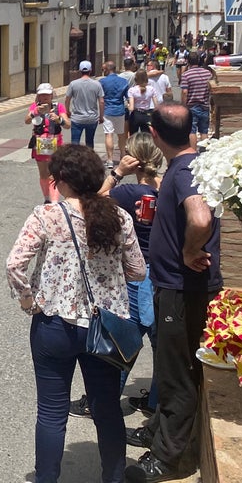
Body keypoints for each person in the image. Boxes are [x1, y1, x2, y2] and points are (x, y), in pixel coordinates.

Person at [6, 144, 144, 483]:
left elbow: (15, 264)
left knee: (51, 410)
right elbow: (138, 271)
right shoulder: (119, 218)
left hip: (55, 324)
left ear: (62, 182)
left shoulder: (46, 216)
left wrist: (27, 299)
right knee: (107, 408)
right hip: (107, 328)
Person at [125, 104, 221, 483]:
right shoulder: (188, 164)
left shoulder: (183, 171)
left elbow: (199, 217)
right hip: (174, 287)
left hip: (183, 290)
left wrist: (188, 250)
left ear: (154, 133)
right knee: (167, 366)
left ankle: (168, 458)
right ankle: (157, 432)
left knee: (178, 371)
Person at [71, 132, 163, 422]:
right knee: (160, 344)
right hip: (162, 272)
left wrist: (117, 173)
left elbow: (90, 203)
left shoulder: (127, 193)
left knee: (125, 340)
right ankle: (157, 401)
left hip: (137, 272)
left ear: (133, 159)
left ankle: (102, 401)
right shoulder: (164, 190)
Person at [27, 82, 68, 204]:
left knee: (54, 173)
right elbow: (27, 120)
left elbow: (68, 124)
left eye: (47, 95)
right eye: (42, 95)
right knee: (43, 173)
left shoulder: (58, 107)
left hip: (55, 142)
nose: (45, 97)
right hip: (40, 142)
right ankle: (46, 198)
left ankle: (54, 201)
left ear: (52, 96)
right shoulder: (35, 107)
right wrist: (34, 112)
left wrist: (58, 119)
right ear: (38, 96)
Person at [65, 61, 105, 149]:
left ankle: (74, 160)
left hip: (77, 118)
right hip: (92, 118)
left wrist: (67, 111)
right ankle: (89, 160)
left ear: (80, 70)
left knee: (75, 142)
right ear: (90, 70)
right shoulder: (97, 84)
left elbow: (67, 99)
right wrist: (101, 116)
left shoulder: (73, 84)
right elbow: (101, 101)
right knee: (90, 141)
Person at [179, 51, 214, 149]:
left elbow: (185, 92)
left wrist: (183, 105)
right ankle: (204, 152)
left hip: (192, 106)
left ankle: (193, 152)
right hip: (205, 105)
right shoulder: (208, 73)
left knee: (192, 131)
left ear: (187, 61)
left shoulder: (186, 75)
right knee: (204, 131)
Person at [99, 61, 130, 170]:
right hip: (120, 110)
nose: (103, 72)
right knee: (121, 134)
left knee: (109, 134)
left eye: (104, 70)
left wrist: (100, 114)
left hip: (108, 110)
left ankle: (110, 160)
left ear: (107, 69)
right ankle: (122, 155)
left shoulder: (102, 82)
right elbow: (128, 97)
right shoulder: (123, 81)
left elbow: (101, 98)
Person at [124, 71, 159, 137]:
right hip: (147, 114)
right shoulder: (151, 89)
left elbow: (131, 108)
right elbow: (156, 106)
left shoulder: (132, 90)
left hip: (136, 115)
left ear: (136, 79)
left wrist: (127, 106)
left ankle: (133, 147)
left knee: (133, 136)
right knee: (147, 137)